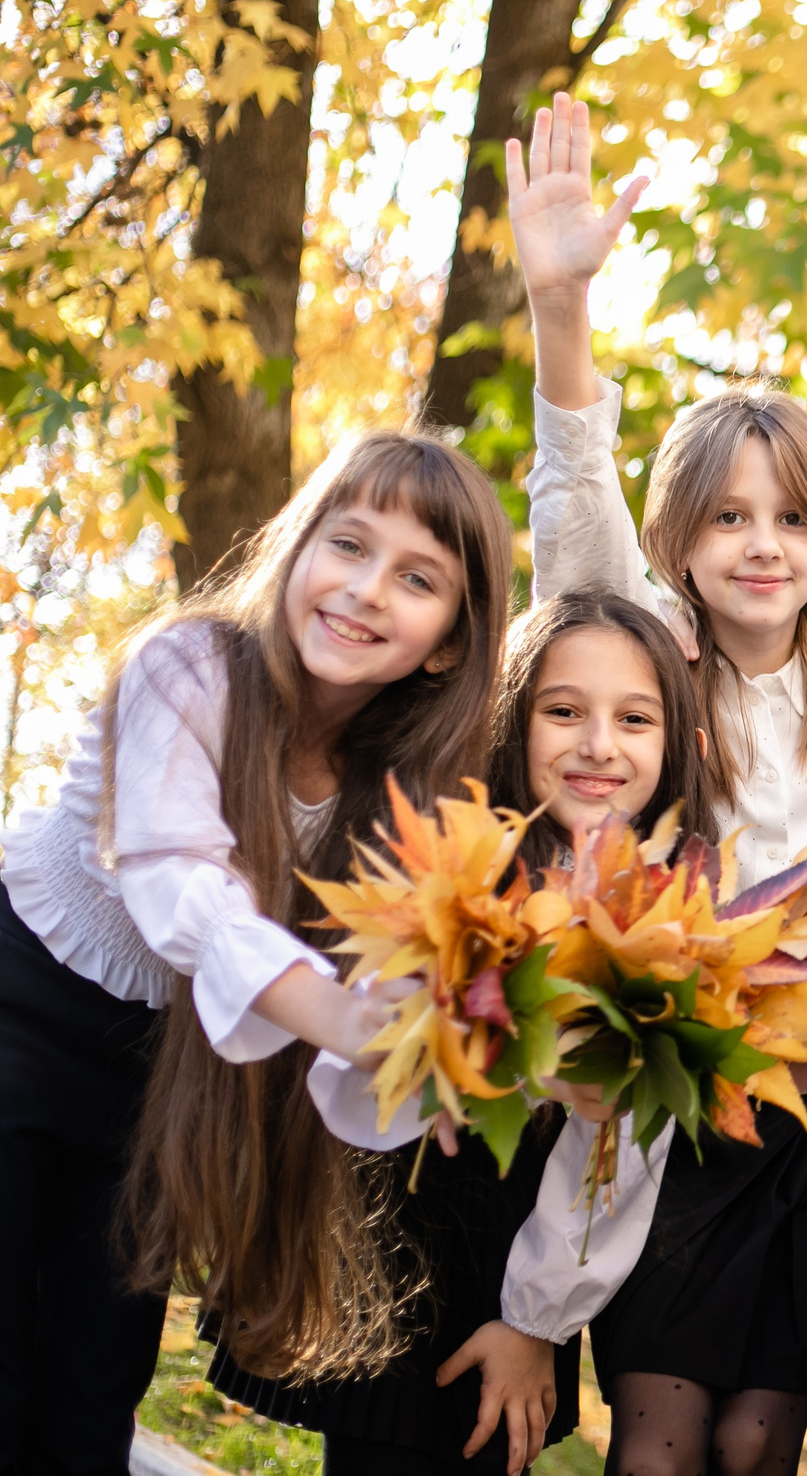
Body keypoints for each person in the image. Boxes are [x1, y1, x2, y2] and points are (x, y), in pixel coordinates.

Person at [509, 96, 807, 1475]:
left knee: (758, 1443)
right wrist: (561, 309)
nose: (762, 544)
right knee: (665, 1441)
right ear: (677, 531)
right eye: (728, 514)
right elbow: (574, 502)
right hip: (684, 1091)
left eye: (795, 517)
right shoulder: (652, 652)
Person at [0, 431, 514, 1476]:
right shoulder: (186, 665)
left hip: (151, 1076)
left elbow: (393, 998)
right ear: (299, 546)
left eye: (417, 579)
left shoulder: (400, 796)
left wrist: (448, 1054)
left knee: (92, 1390)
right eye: (349, 546)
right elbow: (183, 887)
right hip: (18, 1001)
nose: (367, 591)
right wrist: (343, 1018)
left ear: (451, 641)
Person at [206, 589, 714, 1475]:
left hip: (509, 1268)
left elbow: (624, 1156)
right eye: (563, 710)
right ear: (513, 718)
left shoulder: (667, 920)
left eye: (634, 718)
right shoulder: (451, 857)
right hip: (394, 1224)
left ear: (674, 748)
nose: (598, 743)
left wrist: (534, 1320)